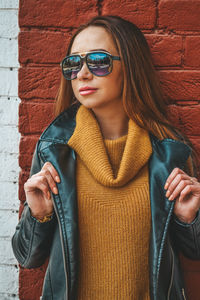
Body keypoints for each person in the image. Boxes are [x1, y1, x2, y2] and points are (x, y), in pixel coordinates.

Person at [12, 15, 200, 300]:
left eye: (99, 61)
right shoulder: (55, 151)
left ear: (130, 67)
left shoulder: (170, 152)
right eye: (74, 64)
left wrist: (189, 219)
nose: (83, 74)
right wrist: (38, 215)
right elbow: (28, 259)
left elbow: (193, 252)